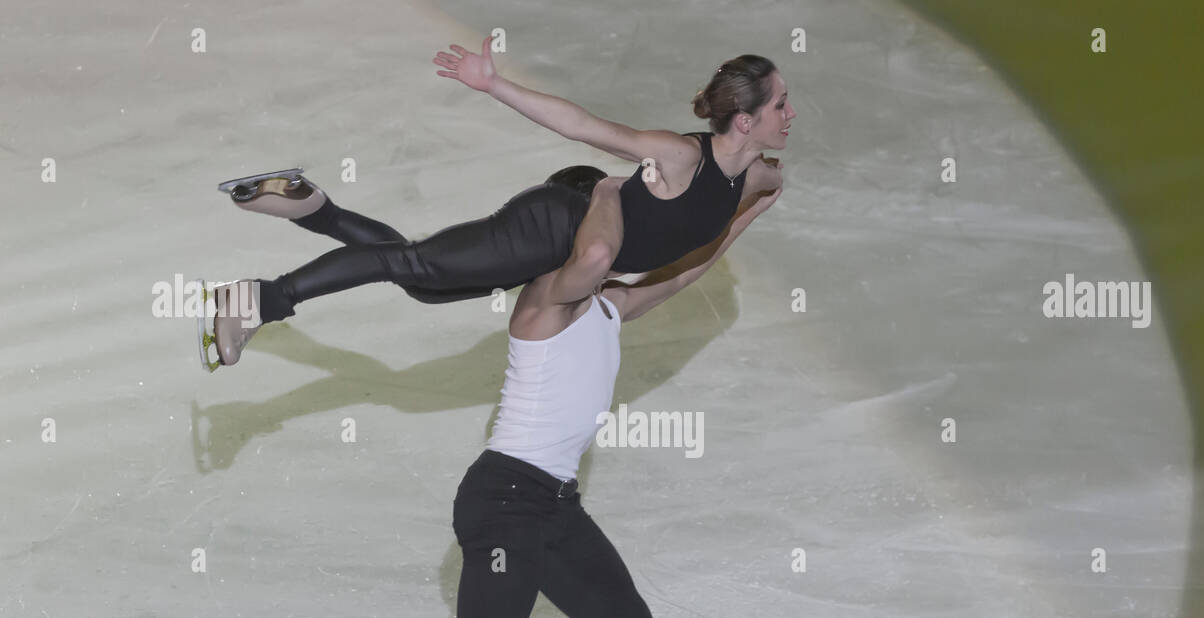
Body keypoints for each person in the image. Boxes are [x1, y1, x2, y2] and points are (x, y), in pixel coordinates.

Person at [386, 171, 782, 618]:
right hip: (504, 504)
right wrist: (607, 189)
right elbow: (594, 257)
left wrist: (744, 209)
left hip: (553, 504)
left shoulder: (603, 309)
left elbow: (689, 270)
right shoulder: (545, 299)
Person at [204, 41, 793, 368]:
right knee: (413, 265)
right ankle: (259, 299)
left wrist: (755, 208)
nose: (790, 116)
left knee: (422, 281)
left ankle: (317, 210)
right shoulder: (681, 158)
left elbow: (718, 231)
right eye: (780, 106)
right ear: (745, 120)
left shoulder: (756, 180)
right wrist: (494, 84)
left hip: (561, 258)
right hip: (552, 224)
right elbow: (585, 125)